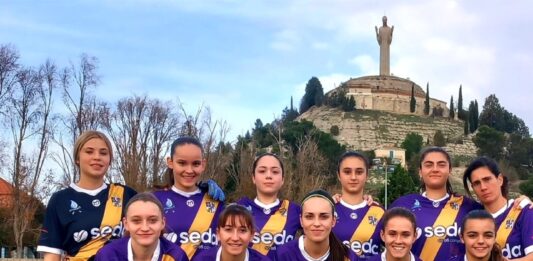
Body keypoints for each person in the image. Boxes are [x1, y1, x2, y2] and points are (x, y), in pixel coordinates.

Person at [37, 130, 137, 261]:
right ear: (77, 158)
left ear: (109, 159)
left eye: (103, 153)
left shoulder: (127, 195)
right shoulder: (60, 200)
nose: (97, 157)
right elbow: (52, 255)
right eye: (89, 151)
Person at [390, 146, 483, 261]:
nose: (435, 169)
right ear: (420, 171)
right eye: (429, 165)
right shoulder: (402, 205)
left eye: (441, 164)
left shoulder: (468, 206)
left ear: (450, 170)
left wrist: (511, 205)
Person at [153, 136, 224, 260]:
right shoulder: (155, 201)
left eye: (196, 163)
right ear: (170, 162)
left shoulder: (216, 200)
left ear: (203, 164)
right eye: (182, 163)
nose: (189, 170)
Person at [463, 157, 533, 260]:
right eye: (477, 183)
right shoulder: (471, 217)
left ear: (500, 180)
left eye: (487, 179)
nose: (483, 187)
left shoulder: (523, 210)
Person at [236, 153, 301, 258]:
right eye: (262, 171)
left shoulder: (294, 210)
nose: (269, 176)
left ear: (282, 179)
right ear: (253, 178)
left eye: (275, 172)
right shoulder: (239, 207)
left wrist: (332, 201)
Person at [95, 192, 188, 261]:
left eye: (153, 220)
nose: (145, 228)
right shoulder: (107, 255)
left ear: (162, 223)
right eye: (136, 221)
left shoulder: (176, 256)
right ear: (126, 224)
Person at [276, 189, 359, 261]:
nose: (316, 223)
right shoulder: (283, 255)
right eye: (309, 216)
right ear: (301, 221)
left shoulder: (348, 257)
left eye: (324, 217)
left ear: (333, 221)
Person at [333, 151, 383, 259]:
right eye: (347, 172)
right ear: (338, 175)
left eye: (359, 172)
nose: (353, 177)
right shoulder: (328, 210)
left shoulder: (379, 212)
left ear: (367, 175)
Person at [193, 204, 271, 261]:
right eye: (228, 229)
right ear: (218, 234)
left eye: (242, 230)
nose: (235, 238)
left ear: (252, 235)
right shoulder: (201, 259)